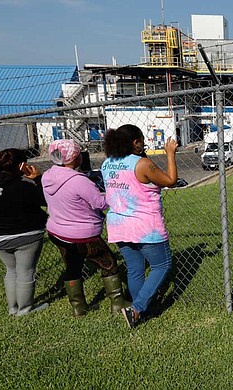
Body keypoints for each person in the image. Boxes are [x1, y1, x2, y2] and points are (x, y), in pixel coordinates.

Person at [100, 124, 178, 328]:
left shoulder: (108, 163)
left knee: (135, 269)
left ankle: (138, 310)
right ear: (135, 143)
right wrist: (170, 153)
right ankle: (137, 309)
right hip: (145, 226)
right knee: (162, 265)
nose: (144, 143)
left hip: (119, 224)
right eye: (142, 139)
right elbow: (170, 180)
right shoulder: (142, 164)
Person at [42, 139, 131, 317]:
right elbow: (99, 203)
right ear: (74, 157)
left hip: (57, 231)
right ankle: (117, 301)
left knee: (72, 266)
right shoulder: (78, 181)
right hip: (83, 235)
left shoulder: (47, 176)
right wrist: (115, 194)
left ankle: (78, 307)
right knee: (109, 263)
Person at [0, 148, 49, 316]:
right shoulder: (23, 187)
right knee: (25, 271)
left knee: (11, 270)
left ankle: (12, 308)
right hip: (27, 236)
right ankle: (25, 310)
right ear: (22, 165)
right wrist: (37, 178)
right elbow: (46, 199)